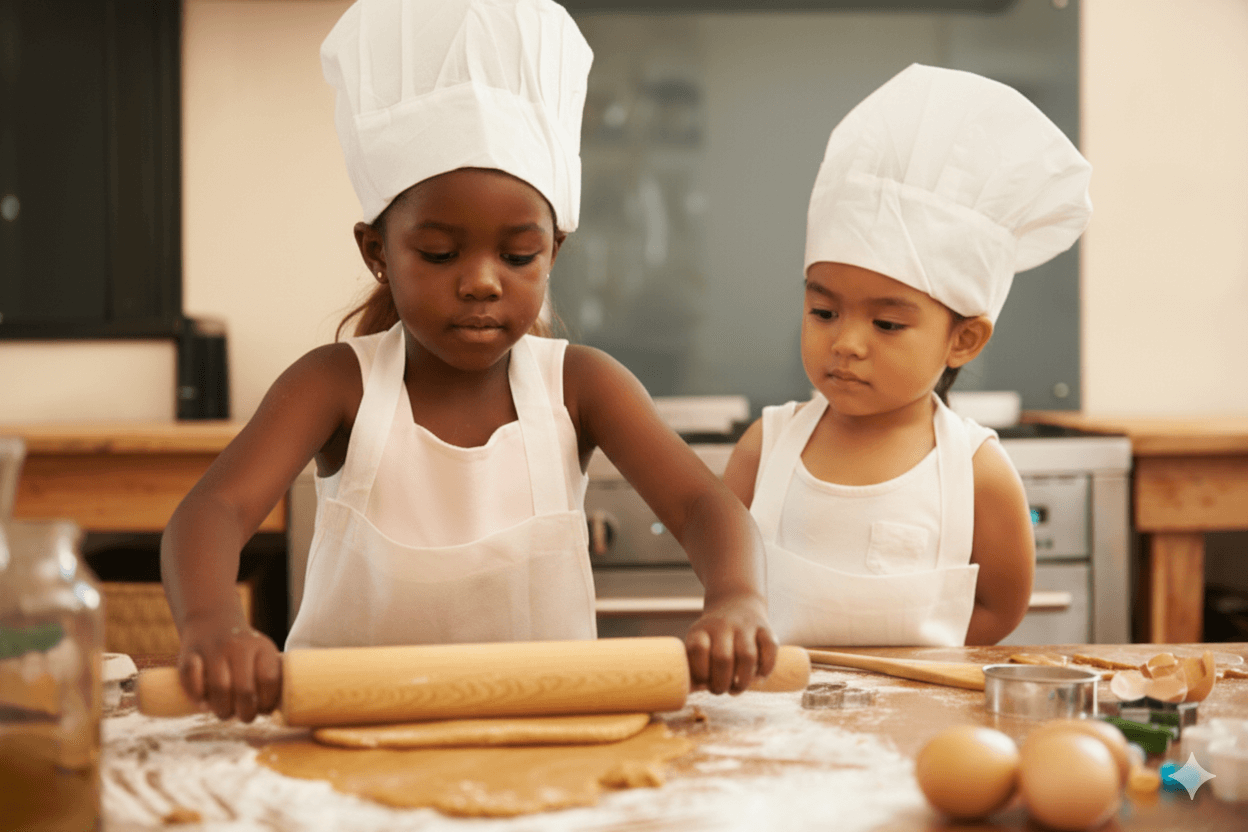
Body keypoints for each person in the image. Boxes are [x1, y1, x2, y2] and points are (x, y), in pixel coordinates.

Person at [161, 0, 776, 723]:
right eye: (441, 252)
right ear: (377, 252)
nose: (483, 280)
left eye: (518, 256)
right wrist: (213, 625)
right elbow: (213, 509)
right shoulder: (336, 385)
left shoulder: (581, 386)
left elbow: (705, 506)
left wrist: (736, 598)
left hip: (549, 738)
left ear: (553, 254)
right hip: (345, 741)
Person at [722, 64, 1092, 648]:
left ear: (963, 339)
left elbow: (1000, 607)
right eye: (824, 312)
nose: (846, 342)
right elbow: (724, 578)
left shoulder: (977, 472)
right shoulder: (763, 450)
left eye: (887, 323)